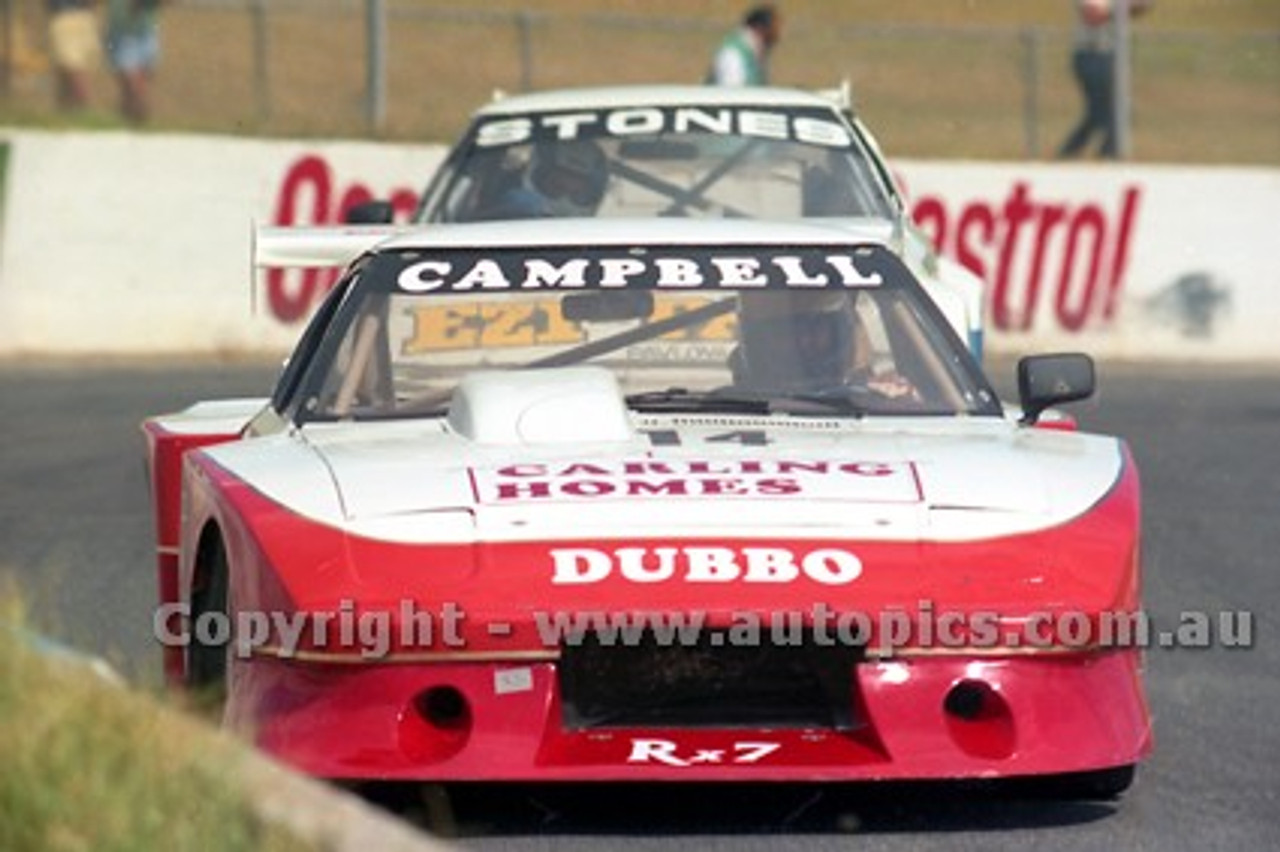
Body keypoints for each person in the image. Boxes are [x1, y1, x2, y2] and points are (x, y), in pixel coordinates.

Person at [1057, 0, 1152, 159]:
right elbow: (1093, 15)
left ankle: (1102, 152)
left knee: (1116, 110)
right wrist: (1122, 9)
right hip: (1091, 54)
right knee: (1103, 111)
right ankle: (1082, 152)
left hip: (1110, 54)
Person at [475, 139, 610, 220]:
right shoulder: (511, 209)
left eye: (577, 194)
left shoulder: (612, 230)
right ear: (536, 173)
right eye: (556, 187)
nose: (563, 202)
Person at [105, 0, 164, 124]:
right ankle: (135, 120)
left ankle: (132, 122)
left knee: (137, 85)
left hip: (146, 32)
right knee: (132, 84)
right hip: (122, 34)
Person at [705, 4, 782, 87]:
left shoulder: (754, 55)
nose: (777, 36)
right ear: (761, 28)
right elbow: (732, 93)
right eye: (773, 30)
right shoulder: (733, 53)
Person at [47, 0, 101, 111]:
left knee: (73, 69)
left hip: (70, 18)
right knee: (67, 70)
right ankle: (70, 112)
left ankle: (84, 110)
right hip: (78, 17)